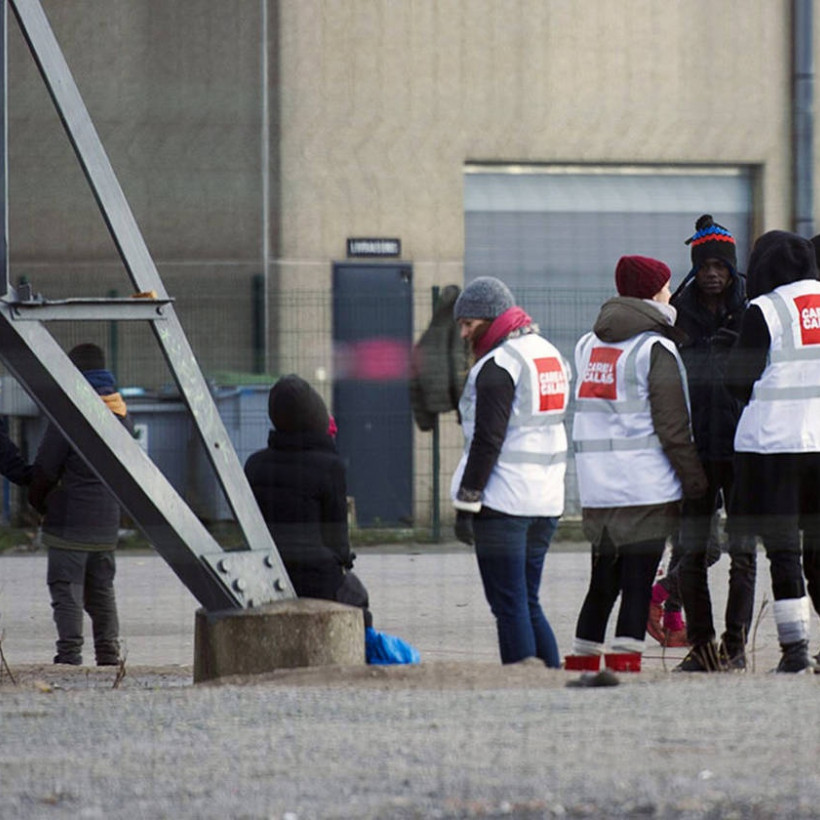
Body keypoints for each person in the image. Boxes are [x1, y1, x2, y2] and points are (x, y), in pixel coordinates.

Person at [570, 256, 707, 665]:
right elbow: (673, 427)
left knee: (601, 582)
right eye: (665, 286)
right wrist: (695, 482)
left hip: (598, 488)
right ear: (652, 293)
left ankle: (582, 659)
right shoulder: (654, 348)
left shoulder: (585, 344)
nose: (670, 293)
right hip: (646, 488)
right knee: (637, 582)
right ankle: (625, 664)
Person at [450, 276, 570, 666]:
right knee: (528, 601)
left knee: (509, 606)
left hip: (504, 503)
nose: (464, 333)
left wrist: (468, 501)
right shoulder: (549, 354)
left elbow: (488, 440)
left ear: (491, 318)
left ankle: (521, 686)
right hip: (546, 501)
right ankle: (550, 679)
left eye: (469, 324)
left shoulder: (499, 365)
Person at [725, 230, 820, 673]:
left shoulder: (765, 309)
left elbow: (738, 382)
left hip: (774, 448)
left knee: (783, 550)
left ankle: (795, 650)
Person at [670, 215, 758, 672]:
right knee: (689, 555)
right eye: (704, 265)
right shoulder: (678, 315)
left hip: (743, 451)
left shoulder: (752, 312)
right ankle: (702, 646)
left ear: (731, 268)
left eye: (720, 265)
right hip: (695, 452)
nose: (711, 273)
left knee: (742, 556)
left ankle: (736, 644)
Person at [29, 343, 133, 666]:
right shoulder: (122, 414)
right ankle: (108, 654)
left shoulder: (70, 413)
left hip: (68, 521)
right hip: (106, 523)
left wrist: (38, 501)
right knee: (102, 591)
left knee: (66, 589)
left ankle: (70, 655)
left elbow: (46, 468)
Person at [244, 373, 373, 628]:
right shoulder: (330, 466)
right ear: (317, 417)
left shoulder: (254, 465)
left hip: (264, 575)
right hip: (316, 579)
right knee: (358, 599)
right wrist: (343, 562)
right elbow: (337, 540)